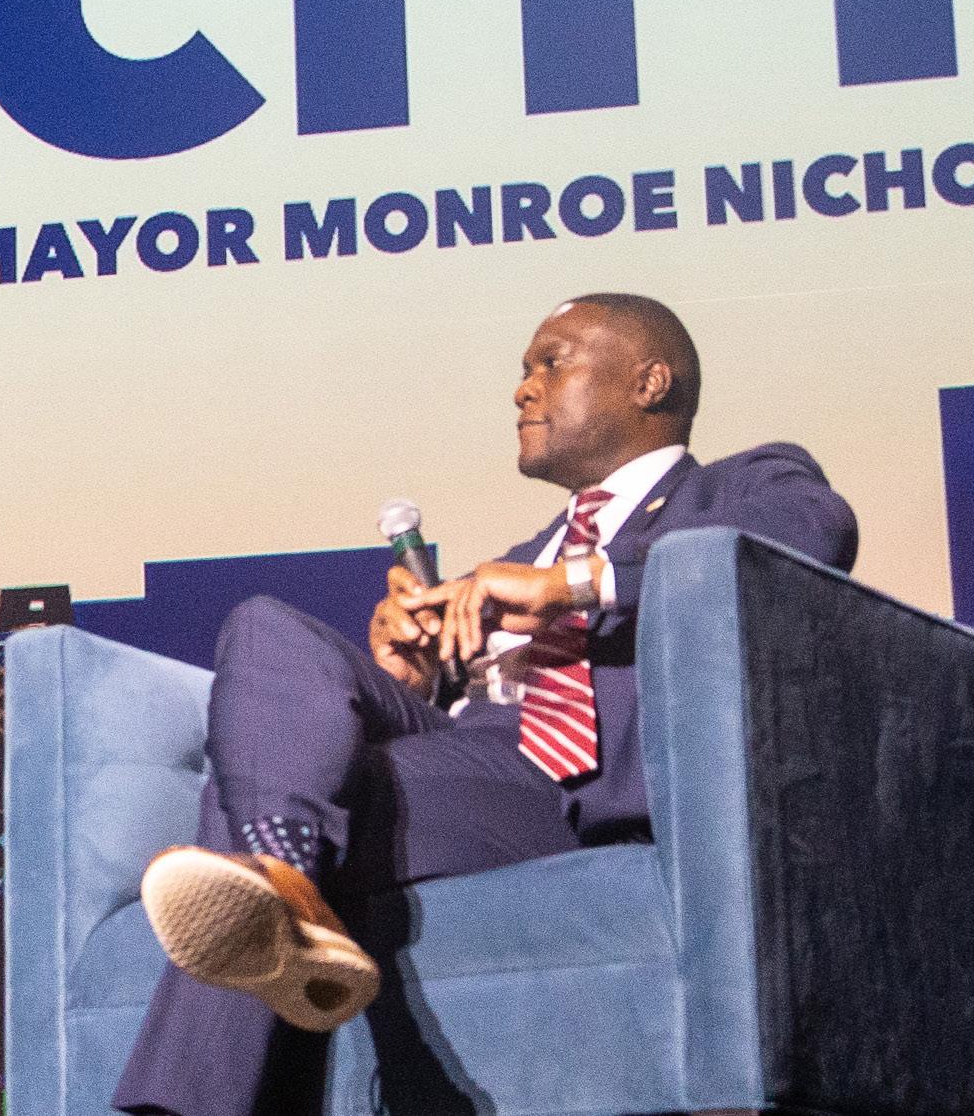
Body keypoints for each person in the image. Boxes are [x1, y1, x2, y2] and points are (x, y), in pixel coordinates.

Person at [112, 293, 856, 1116]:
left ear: (648, 383)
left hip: (565, 785)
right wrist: (414, 677)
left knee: (244, 803)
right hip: (467, 757)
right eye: (524, 369)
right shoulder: (518, 555)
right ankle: (281, 871)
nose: (521, 389)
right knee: (266, 630)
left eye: (551, 363)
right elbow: (446, 717)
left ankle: (241, 959)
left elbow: (811, 530)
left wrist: (571, 584)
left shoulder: (733, 485)